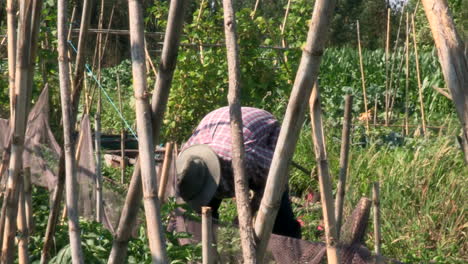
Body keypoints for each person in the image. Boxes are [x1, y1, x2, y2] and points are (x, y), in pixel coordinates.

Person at [176, 106, 301, 239]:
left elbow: (274, 180)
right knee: (205, 214)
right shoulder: (187, 162)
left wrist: (248, 212)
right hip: (216, 121)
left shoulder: (244, 161)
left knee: (278, 210)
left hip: (261, 124)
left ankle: (292, 249)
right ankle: (209, 247)